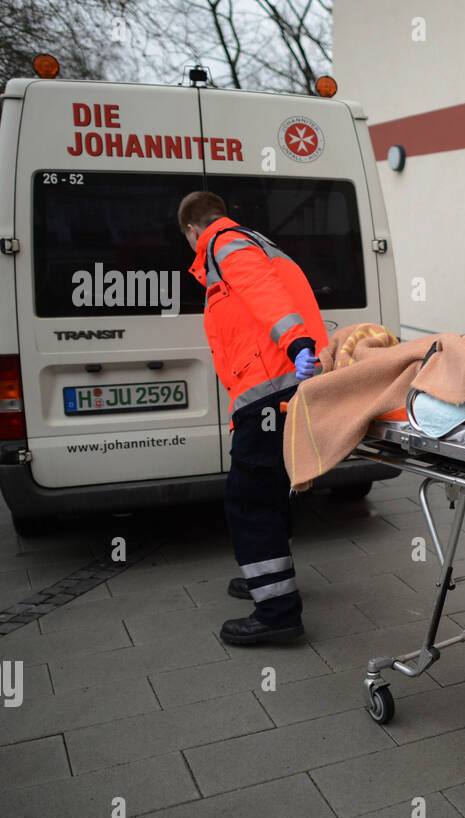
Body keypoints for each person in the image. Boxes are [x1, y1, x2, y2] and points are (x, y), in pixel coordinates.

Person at [179, 191, 328, 645]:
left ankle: (278, 611)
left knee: (248, 498)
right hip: (281, 386)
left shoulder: (223, 243)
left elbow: (267, 296)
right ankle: (269, 579)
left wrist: (297, 343)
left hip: (268, 389)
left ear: (191, 230)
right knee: (269, 490)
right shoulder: (255, 240)